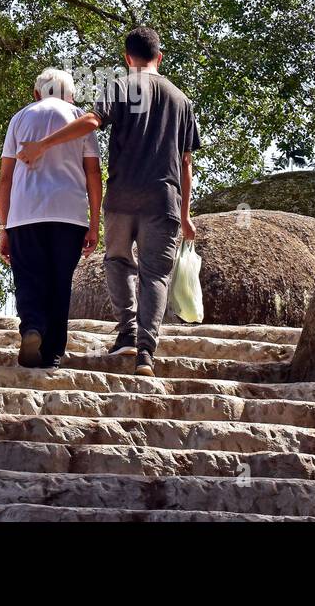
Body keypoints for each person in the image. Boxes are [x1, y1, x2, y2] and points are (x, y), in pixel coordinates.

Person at [17, 27, 200, 377]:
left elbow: (90, 121)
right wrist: (187, 214)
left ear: (127, 58)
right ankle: (146, 351)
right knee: (156, 275)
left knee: (117, 261)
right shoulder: (182, 101)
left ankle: (127, 333)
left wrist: (42, 144)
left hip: (121, 199)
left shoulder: (121, 87)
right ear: (159, 57)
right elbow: (186, 162)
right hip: (164, 201)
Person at [0, 68, 101, 369]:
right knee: (60, 281)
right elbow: (93, 173)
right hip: (69, 213)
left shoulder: (20, 118)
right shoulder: (80, 118)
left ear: (36, 93)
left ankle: (31, 327)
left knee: (28, 277)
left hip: (25, 212)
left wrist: (4, 227)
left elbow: (5, 178)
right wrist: (94, 223)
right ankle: (53, 353)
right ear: (71, 94)